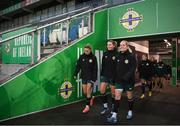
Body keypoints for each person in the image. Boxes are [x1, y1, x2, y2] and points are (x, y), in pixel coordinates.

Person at [107, 40, 137, 124]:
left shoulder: (131, 56)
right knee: (117, 97)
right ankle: (114, 116)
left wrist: (126, 77)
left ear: (127, 46)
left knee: (129, 97)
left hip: (129, 81)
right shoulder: (118, 56)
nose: (122, 46)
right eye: (120, 45)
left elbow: (132, 69)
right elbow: (115, 69)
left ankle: (130, 111)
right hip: (119, 81)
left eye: (124, 45)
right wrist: (113, 78)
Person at [74, 44, 97, 113]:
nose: (86, 51)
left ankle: (87, 107)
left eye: (87, 50)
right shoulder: (81, 57)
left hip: (90, 77)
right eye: (85, 50)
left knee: (88, 91)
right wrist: (75, 74)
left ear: (90, 50)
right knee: (85, 92)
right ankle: (92, 97)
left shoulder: (93, 57)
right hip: (83, 76)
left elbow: (95, 69)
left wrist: (94, 78)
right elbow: (78, 66)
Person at [100, 40, 117, 115]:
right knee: (102, 90)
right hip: (105, 75)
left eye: (110, 44)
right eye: (107, 45)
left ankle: (113, 107)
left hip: (113, 76)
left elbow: (118, 67)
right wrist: (102, 74)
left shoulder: (117, 54)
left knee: (113, 93)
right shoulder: (105, 53)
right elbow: (103, 65)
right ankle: (105, 107)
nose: (108, 46)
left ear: (113, 45)